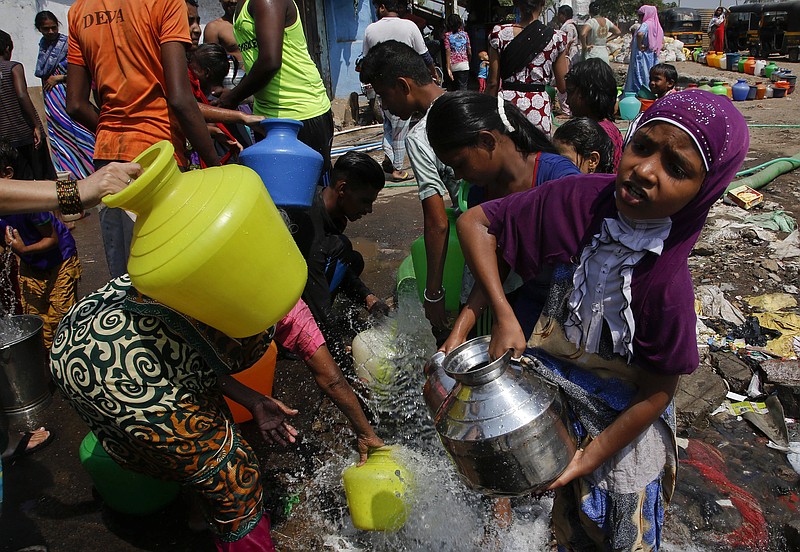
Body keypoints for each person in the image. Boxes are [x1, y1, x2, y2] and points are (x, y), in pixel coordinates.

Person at [447, 89, 748, 550]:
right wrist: (501, 315)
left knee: (622, 526)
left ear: (704, 191)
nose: (645, 171)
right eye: (643, 147)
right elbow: (475, 223)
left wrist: (589, 458)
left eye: (677, 168)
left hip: (626, 426)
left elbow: (657, 393)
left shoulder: (665, 284)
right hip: (562, 400)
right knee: (565, 522)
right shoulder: (580, 199)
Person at [51, 277, 383, 550]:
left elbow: (191, 353)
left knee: (204, 425)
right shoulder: (279, 298)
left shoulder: (206, 260)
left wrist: (253, 400)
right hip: (124, 367)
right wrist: (367, 433)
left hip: (75, 342)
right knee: (237, 477)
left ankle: (199, 515)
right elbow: (331, 378)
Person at [66, 0, 220, 280]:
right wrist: (216, 166)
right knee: (169, 272)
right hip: (157, 158)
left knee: (125, 276)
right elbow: (180, 99)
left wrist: (109, 130)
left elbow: (76, 104)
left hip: (108, 162)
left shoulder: (79, 11)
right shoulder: (166, 3)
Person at [359, 40, 455, 333]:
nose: (385, 106)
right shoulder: (471, 101)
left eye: (384, 96)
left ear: (403, 85)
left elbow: (437, 223)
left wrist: (434, 293)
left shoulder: (421, 135)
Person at [216, 0, 333, 188]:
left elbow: (270, 61)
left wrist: (233, 97)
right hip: (267, 120)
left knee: (313, 196)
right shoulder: (240, 9)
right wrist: (234, 93)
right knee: (280, 195)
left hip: (301, 114)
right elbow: (256, 62)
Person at [291, 152, 390, 334]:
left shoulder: (333, 212)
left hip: (307, 277)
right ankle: (301, 331)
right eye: (365, 201)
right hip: (283, 299)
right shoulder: (310, 224)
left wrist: (368, 298)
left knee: (353, 260)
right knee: (340, 247)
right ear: (342, 189)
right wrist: (337, 352)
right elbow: (315, 290)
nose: (369, 210)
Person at [0, 141, 81, 351]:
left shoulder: (29, 206)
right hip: (31, 264)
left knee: (63, 319)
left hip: (59, 261)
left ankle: (70, 361)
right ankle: (47, 370)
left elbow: (51, 240)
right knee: (36, 323)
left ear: (7, 174)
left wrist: (23, 250)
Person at [361, 0, 438, 182]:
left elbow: (366, 60)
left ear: (382, 7)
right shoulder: (409, 26)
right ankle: (396, 167)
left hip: (382, 85)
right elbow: (425, 55)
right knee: (400, 130)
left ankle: (391, 160)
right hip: (402, 86)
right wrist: (433, 74)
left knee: (389, 126)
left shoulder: (371, 29)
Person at [486, 0, 568, 137]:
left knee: (508, 151)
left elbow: (492, 83)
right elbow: (563, 86)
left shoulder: (499, 34)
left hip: (507, 105)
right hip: (538, 106)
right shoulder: (556, 38)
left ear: (516, 3)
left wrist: (486, 111)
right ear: (542, 3)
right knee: (537, 154)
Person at [34, 11, 96, 180]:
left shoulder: (68, 44)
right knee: (62, 139)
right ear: (39, 29)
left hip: (70, 97)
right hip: (52, 103)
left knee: (81, 134)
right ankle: (74, 174)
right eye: (46, 29)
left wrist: (59, 78)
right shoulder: (43, 46)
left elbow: (85, 71)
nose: (51, 32)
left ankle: (91, 169)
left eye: (54, 27)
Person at [0, 30, 55, 182]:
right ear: (7, 48)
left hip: (5, 140)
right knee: (43, 178)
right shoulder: (13, 67)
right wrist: (36, 125)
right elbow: (22, 95)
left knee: (18, 181)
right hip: (26, 133)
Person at [565, 58, 624, 171]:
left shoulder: (593, 133)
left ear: (588, 94)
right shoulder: (610, 128)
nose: (567, 101)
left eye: (571, 92)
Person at [203, 0, 246, 87]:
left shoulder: (256, 24)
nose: (233, 1)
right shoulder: (214, 28)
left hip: (257, 83)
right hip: (229, 85)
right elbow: (210, 67)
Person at [623, 5, 664, 95]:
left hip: (642, 55)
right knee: (650, 74)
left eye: (641, 15)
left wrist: (639, 45)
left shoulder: (646, 24)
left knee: (640, 75)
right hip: (651, 55)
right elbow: (661, 41)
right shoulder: (657, 26)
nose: (640, 17)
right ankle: (650, 94)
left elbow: (640, 34)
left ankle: (640, 94)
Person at [555, 5, 580, 117]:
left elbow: (567, 43)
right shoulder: (570, 26)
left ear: (563, 15)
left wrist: (562, 57)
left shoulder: (568, 27)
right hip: (570, 55)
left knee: (564, 81)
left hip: (567, 56)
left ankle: (566, 110)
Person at [444, 14, 471, 91]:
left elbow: (448, 51)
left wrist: (448, 68)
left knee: (454, 89)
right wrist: (468, 61)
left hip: (453, 65)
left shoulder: (447, 35)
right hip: (464, 64)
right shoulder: (465, 34)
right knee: (463, 88)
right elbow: (469, 51)